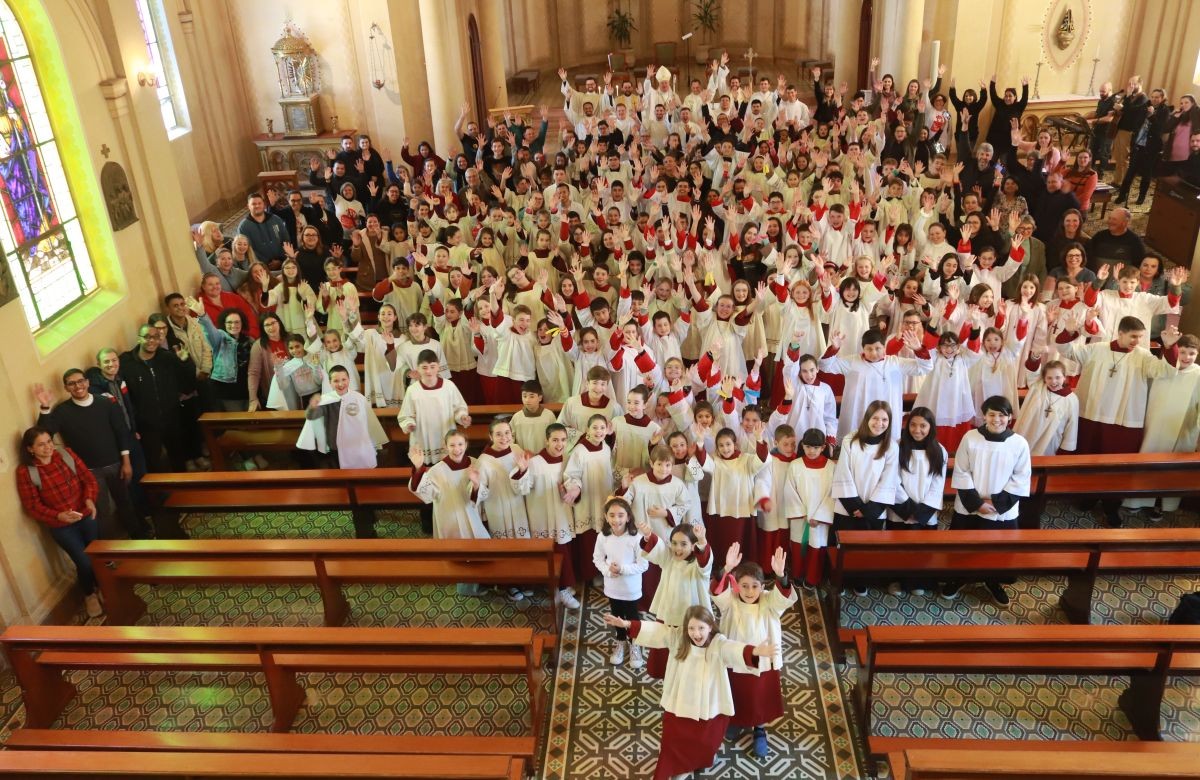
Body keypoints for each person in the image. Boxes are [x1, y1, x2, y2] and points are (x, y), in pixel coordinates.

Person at [604, 604, 774, 780]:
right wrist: (626, 625)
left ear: (710, 626)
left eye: (701, 628)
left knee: (706, 740)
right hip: (680, 703)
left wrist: (754, 651)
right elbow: (657, 631)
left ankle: (697, 762)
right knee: (673, 740)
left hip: (707, 706)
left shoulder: (718, 643)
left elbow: (734, 650)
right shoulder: (678, 638)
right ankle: (675, 766)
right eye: (691, 628)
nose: (696, 634)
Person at [34, 370, 149, 539]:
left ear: (87, 382)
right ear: (66, 388)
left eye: (80, 381)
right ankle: (113, 549)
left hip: (116, 464)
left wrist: (126, 461)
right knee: (102, 511)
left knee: (125, 502)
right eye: (71, 383)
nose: (77, 386)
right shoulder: (62, 411)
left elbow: (121, 432)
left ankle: (141, 537)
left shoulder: (106, 403)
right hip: (89, 472)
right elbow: (45, 433)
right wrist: (44, 406)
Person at [944, 395, 1032, 605]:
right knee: (964, 546)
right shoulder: (970, 437)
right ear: (984, 415)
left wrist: (997, 505)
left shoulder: (1019, 443)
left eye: (1002, 415)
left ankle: (993, 581)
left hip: (1002, 509)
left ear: (1009, 417)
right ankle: (959, 578)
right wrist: (977, 504)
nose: (997, 419)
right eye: (992, 414)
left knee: (996, 550)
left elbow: (1021, 478)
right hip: (970, 506)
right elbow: (962, 471)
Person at [16, 427, 103, 618]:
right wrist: (58, 516)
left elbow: (88, 480)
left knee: (96, 555)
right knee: (83, 561)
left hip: (85, 514)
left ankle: (102, 586)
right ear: (30, 449)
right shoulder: (26, 472)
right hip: (62, 527)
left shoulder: (66, 454)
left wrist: (89, 499)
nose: (48, 447)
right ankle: (90, 594)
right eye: (41, 444)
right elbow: (32, 506)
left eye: (49, 441)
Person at [1121, 328, 1200, 521]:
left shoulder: (1198, 374)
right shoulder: (1162, 367)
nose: (1187, 357)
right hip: (1154, 424)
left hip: (1181, 429)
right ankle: (1136, 501)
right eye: (1182, 352)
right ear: (1176, 351)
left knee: (1170, 470)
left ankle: (1161, 505)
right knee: (1148, 462)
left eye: (1192, 353)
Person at [832, 402, 899, 597]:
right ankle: (841, 579)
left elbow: (889, 479)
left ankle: (860, 580)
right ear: (867, 418)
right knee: (843, 546)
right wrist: (854, 506)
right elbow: (843, 471)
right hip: (847, 505)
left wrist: (869, 509)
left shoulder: (891, 447)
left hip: (874, 507)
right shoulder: (850, 440)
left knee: (865, 549)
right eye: (875, 418)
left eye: (884, 419)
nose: (879, 423)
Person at [512, 423, 580, 609]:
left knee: (564, 550)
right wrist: (522, 470)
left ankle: (563, 587)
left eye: (563, 440)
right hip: (541, 515)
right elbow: (521, 489)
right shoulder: (534, 462)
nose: (560, 444)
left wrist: (573, 488)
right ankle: (556, 588)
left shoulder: (569, 460)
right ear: (546, 440)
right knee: (549, 552)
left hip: (562, 513)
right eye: (555, 440)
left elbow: (576, 481)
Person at [886, 408, 948, 595]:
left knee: (921, 549)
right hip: (900, 509)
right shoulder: (897, 447)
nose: (917, 430)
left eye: (923, 425)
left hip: (925, 511)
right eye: (913, 424)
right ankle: (896, 580)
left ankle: (918, 581)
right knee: (898, 549)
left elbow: (938, 484)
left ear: (931, 427)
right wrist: (908, 509)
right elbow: (893, 480)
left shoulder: (939, 451)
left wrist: (921, 512)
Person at [119, 323, 191, 473]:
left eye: (155, 337)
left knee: (178, 455)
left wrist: (185, 361)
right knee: (153, 461)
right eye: (147, 337)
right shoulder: (126, 363)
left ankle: (186, 490)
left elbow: (187, 380)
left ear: (160, 340)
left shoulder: (167, 358)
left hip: (171, 417)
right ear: (139, 339)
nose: (151, 341)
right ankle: (160, 494)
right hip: (146, 424)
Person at [592, 497, 649, 668]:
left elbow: (643, 564)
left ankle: (634, 644)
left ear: (628, 517)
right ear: (606, 516)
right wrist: (608, 570)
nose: (616, 520)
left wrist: (622, 569)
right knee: (616, 615)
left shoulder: (636, 538)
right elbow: (597, 559)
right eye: (612, 515)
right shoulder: (603, 537)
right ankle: (620, 640)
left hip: (630, 588)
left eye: (621, 515)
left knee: (632, 616)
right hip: (612, 587)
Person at [297, 365, 387, 472]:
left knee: (362, 471)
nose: (340, 384)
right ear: (330, 383)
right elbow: (311, 416)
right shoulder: (326, 400)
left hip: (358, 443)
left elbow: (368, 422)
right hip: (337, 446)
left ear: (349, 380)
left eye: (344, 379)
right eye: (336, 381)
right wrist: (313, 406)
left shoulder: (359, 398)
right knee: (342, 473)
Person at [409, 430, 489, 541]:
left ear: (466, 444)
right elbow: (426, 493)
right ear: (446, 446)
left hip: (472, 514)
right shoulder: (437, 470)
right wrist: (418, 469)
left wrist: (476, 484)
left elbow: (484, 494)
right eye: (452, 445)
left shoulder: (475, 464)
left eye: (460, 444)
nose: (457, 449)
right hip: (448, 517)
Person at [784, 428, 836, 588]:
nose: (811, 451)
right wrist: (801, 513)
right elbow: (789, 490)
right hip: (801, 515)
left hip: (819, 518)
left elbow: (832, 493)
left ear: (823, 447)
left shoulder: (830, 467)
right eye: (807, 447)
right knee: (800, 546)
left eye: (815, 447)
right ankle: (798, 575)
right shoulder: (795, 465)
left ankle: (812, 578)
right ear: (802, 446)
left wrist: (819, 516)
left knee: (816, 547)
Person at [1087, 208, 1146, 273]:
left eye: (1114, 219)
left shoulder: (1135, 241)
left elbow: (1139, 265)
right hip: (1097, 278)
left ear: (1125, 222)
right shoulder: (1099, 236)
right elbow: (1087, 255)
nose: (1110, 222)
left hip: (1120, 281)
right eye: (1109, 218)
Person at [236, 193, 288, 265]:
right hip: (259, 266)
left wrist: (281, 259)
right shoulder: (243, 227)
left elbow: (286, 239)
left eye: (259, 203)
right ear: (248, 206)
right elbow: (248, 249)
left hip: (282, 262)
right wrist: (266, 263)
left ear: (264, 204)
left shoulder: (276, 220)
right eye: (254, 204)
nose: (257, 206)